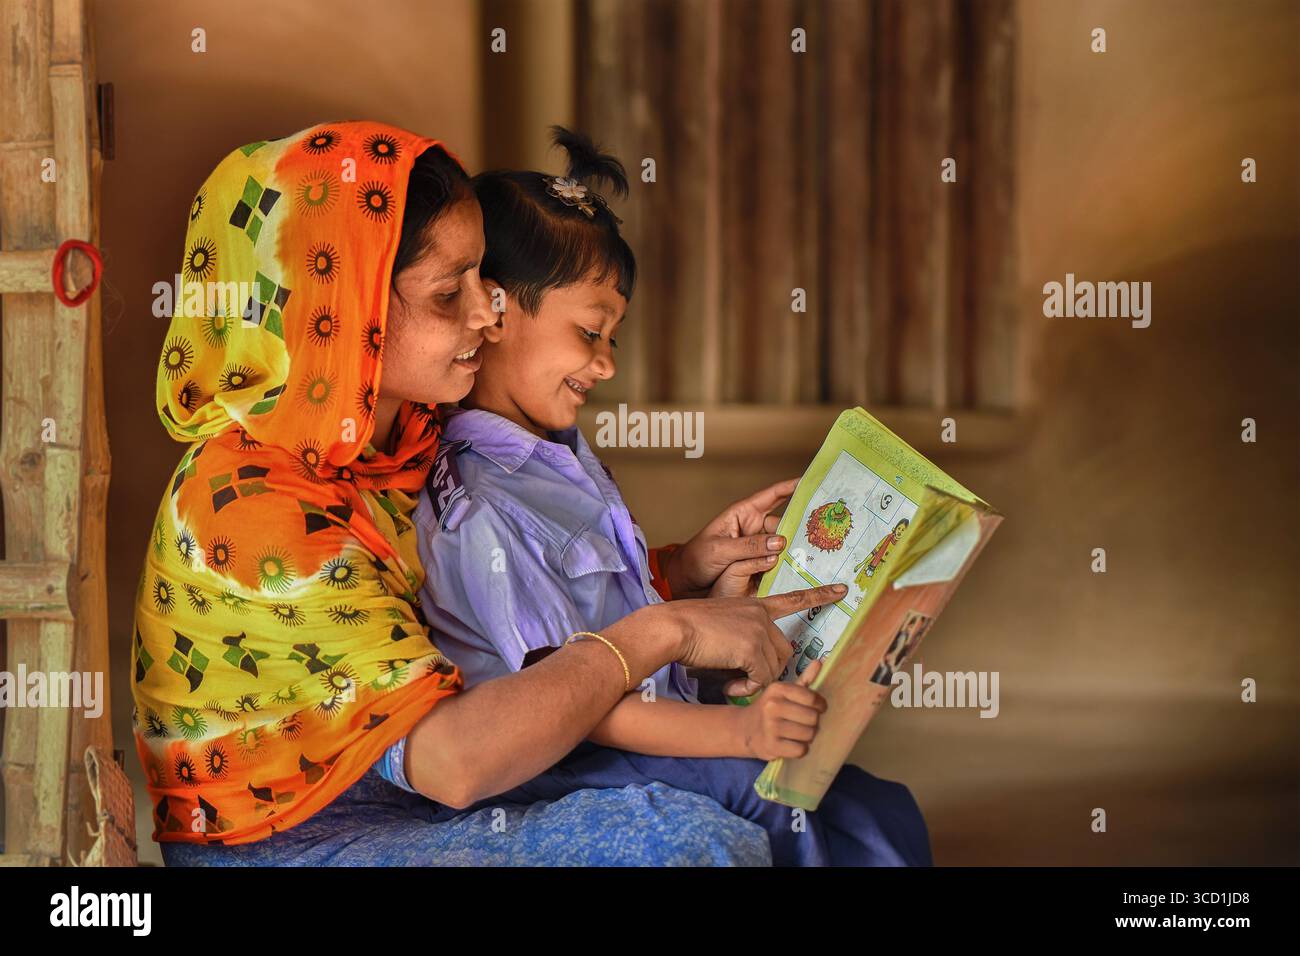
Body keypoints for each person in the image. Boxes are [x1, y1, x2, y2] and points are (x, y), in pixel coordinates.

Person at [136, 120, 842, 865]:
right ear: (342, 309)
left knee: (748, 805)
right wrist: (664, 630)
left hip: (412, 807)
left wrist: (677, 572)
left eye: (484, 280)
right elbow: (453, 762)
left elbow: (507, 600)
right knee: (681, 843)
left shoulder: (394, 441)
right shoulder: (254, 510)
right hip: (304, 845)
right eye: (449, 294)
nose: (485, 313)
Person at [403, 128, 933, 866]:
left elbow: (611, 617)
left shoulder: (557, 458)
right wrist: (739, 737)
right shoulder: (478, 502)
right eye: (591, 332)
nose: (606, 363)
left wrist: (687, 574)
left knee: (875, 807)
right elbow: (570, 697)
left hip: (650, 729)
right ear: (493, 311)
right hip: (568, 765)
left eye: (612, 337)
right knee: (795, 816)